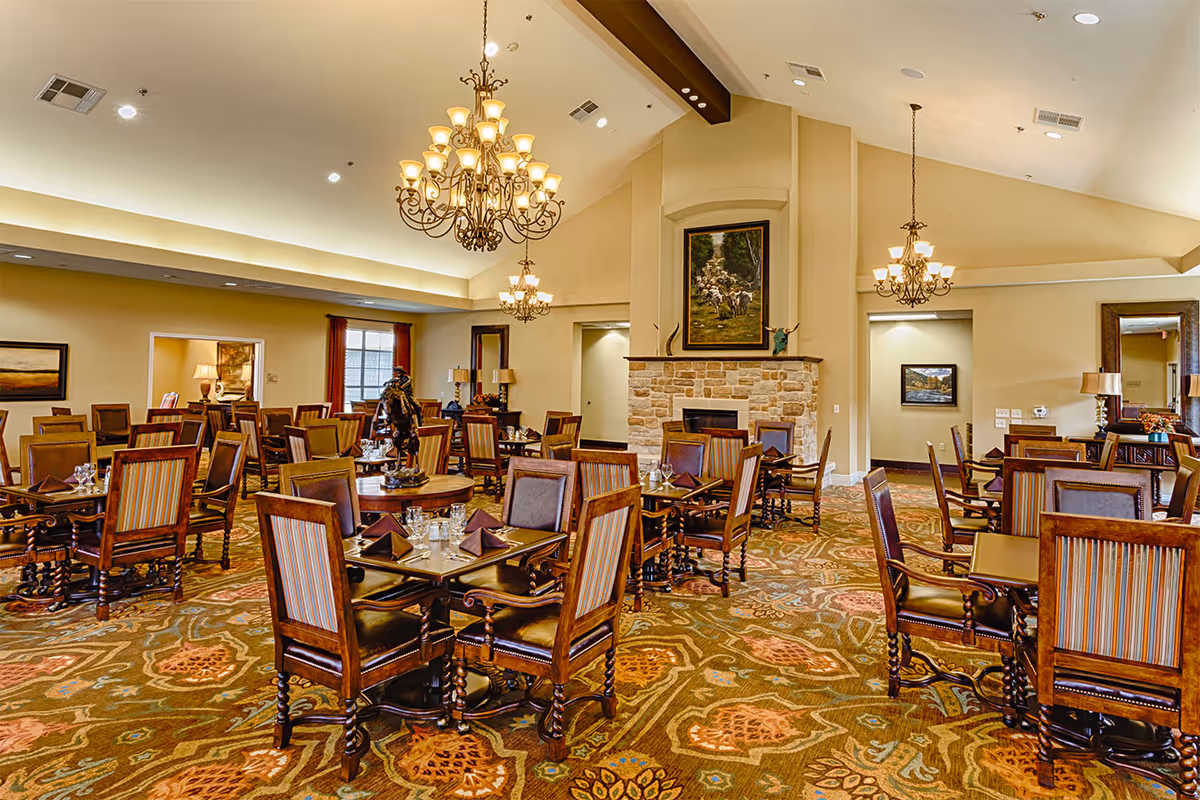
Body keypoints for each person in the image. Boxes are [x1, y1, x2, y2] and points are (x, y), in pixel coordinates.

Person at [376, 365, 422, 458]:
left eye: (398, 371)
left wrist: (399, 387)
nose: (397, 373)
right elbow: (390, 383)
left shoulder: (408, 378)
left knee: (418, 405)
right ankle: (390, 418)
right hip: (399, 395)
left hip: (407, 395)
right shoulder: (395, 379)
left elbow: (406, 384)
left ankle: (419, 420)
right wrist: (387, 384)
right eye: (396, 371)